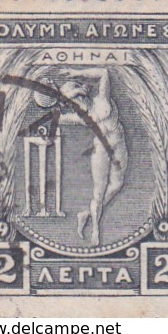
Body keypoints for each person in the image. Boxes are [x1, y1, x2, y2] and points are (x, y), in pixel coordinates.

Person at [63, 68, 128, 246]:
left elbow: (104, 72)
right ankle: (95, 231)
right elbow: (60, 118)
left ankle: (85, 214)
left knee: (117, 184)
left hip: (118, 145)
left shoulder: (102, 100)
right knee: (98, 194)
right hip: (101, 151)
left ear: (82, 96)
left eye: (75, 100)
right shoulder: (81, 117)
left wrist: (77, 74)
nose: (75, 106)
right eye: (72, 103)